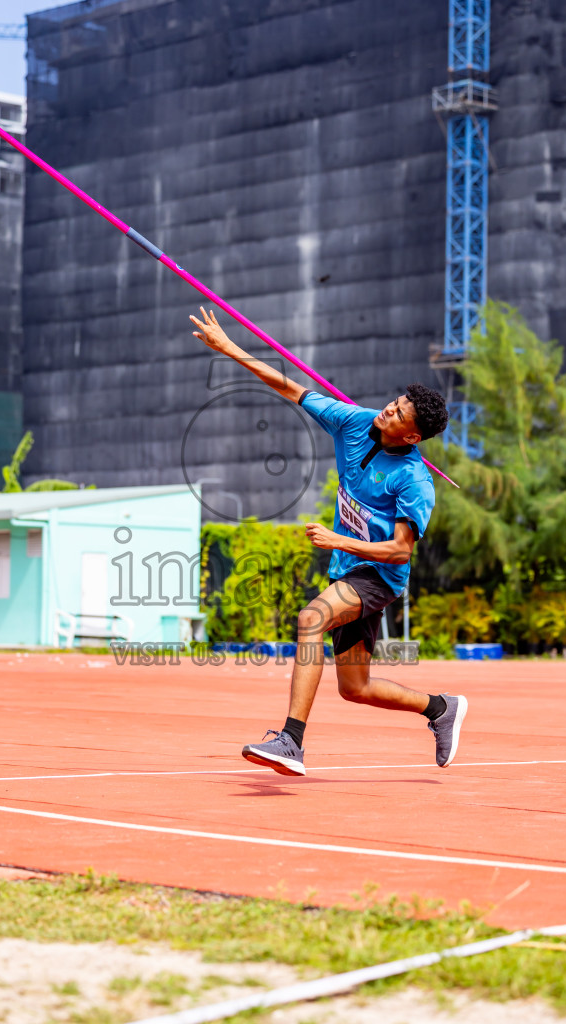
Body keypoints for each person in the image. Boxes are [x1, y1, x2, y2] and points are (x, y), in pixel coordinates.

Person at [190, 307, 468, 776]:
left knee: (310, 617)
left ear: (413, 434)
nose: (389, 408)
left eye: (399, 412)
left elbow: (400, 551)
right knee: (354, 687)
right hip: (347, 568)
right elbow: (287, 385)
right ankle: (441, 708)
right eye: (394, 400)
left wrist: (338, 537)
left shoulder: (415, 482)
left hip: (378, 575)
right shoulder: (352, 422)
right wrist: (228, 347)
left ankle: (291, 742)